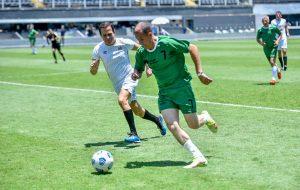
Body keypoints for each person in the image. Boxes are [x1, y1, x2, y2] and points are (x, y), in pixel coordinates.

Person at [132, 22, 218, 169]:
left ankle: (204, 117)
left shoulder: (167, 43)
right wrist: (136, 74)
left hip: (182, 88)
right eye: (137, 39)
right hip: (165, 92)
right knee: (172, 126)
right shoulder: (142, 52)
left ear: (150, 34)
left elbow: (192, 47)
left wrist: (200, 73)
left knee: (193, 124)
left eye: (141, 39)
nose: (139, 43)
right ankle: (198, 156)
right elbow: (138, 67)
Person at [90, 22, 167, 143]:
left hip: (130, 77)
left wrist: (148, 66)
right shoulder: (98, 49)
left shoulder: (124, 42)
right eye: (104, 35)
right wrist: (93, 68)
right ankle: (157, 120)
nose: (108, 37)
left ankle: (134, 134)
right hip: (117, 84)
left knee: (122, 100)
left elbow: (143, 50)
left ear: (114, 32)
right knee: (137, 110)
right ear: (101, 36)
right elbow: (93, 72)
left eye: (110, 34)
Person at [256, 16, 282, 85]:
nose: (265, 22)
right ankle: (278, 70)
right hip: (266, 48)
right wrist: (262, 43)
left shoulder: (273, 28)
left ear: (268, 21)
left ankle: (273, 79)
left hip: (273, 46)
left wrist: (277, 41)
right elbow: (257, 39)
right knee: (272, 63)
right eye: (264, 21)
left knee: (272, 61)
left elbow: (280, 34)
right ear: (262, 22)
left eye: (266, 20)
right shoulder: (260, 30)